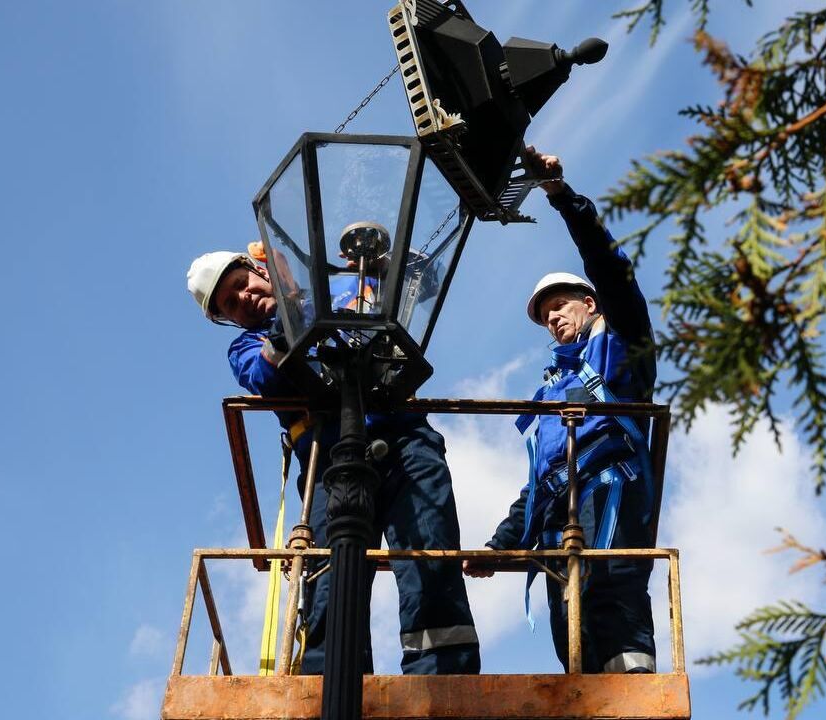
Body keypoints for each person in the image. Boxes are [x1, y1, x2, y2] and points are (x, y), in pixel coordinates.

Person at [186, 245, 480, 675]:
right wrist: (291, 306)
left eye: (239, 284)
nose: (243, 298)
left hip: (404, 442)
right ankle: (334, 688)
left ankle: (444, 683)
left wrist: (384, 259)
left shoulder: (344, 285)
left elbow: (424, 280)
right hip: (329, 466)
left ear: (258, 267)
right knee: (329, 583)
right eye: (230, 304)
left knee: (430, 560)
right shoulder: (247, 346)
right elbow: (265, 375)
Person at [464, 148, 658, 674]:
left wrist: (562, 198)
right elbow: (539, 480)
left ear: (589, 303)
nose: (552, 318)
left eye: (560, 305)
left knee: (612, 604)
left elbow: (613, 273)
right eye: (545, 314)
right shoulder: (551, 392)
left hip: (608, 486)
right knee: (568, 633)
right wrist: (500, 545)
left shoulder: (619, 350)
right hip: (554, 515)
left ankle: (636, 701)